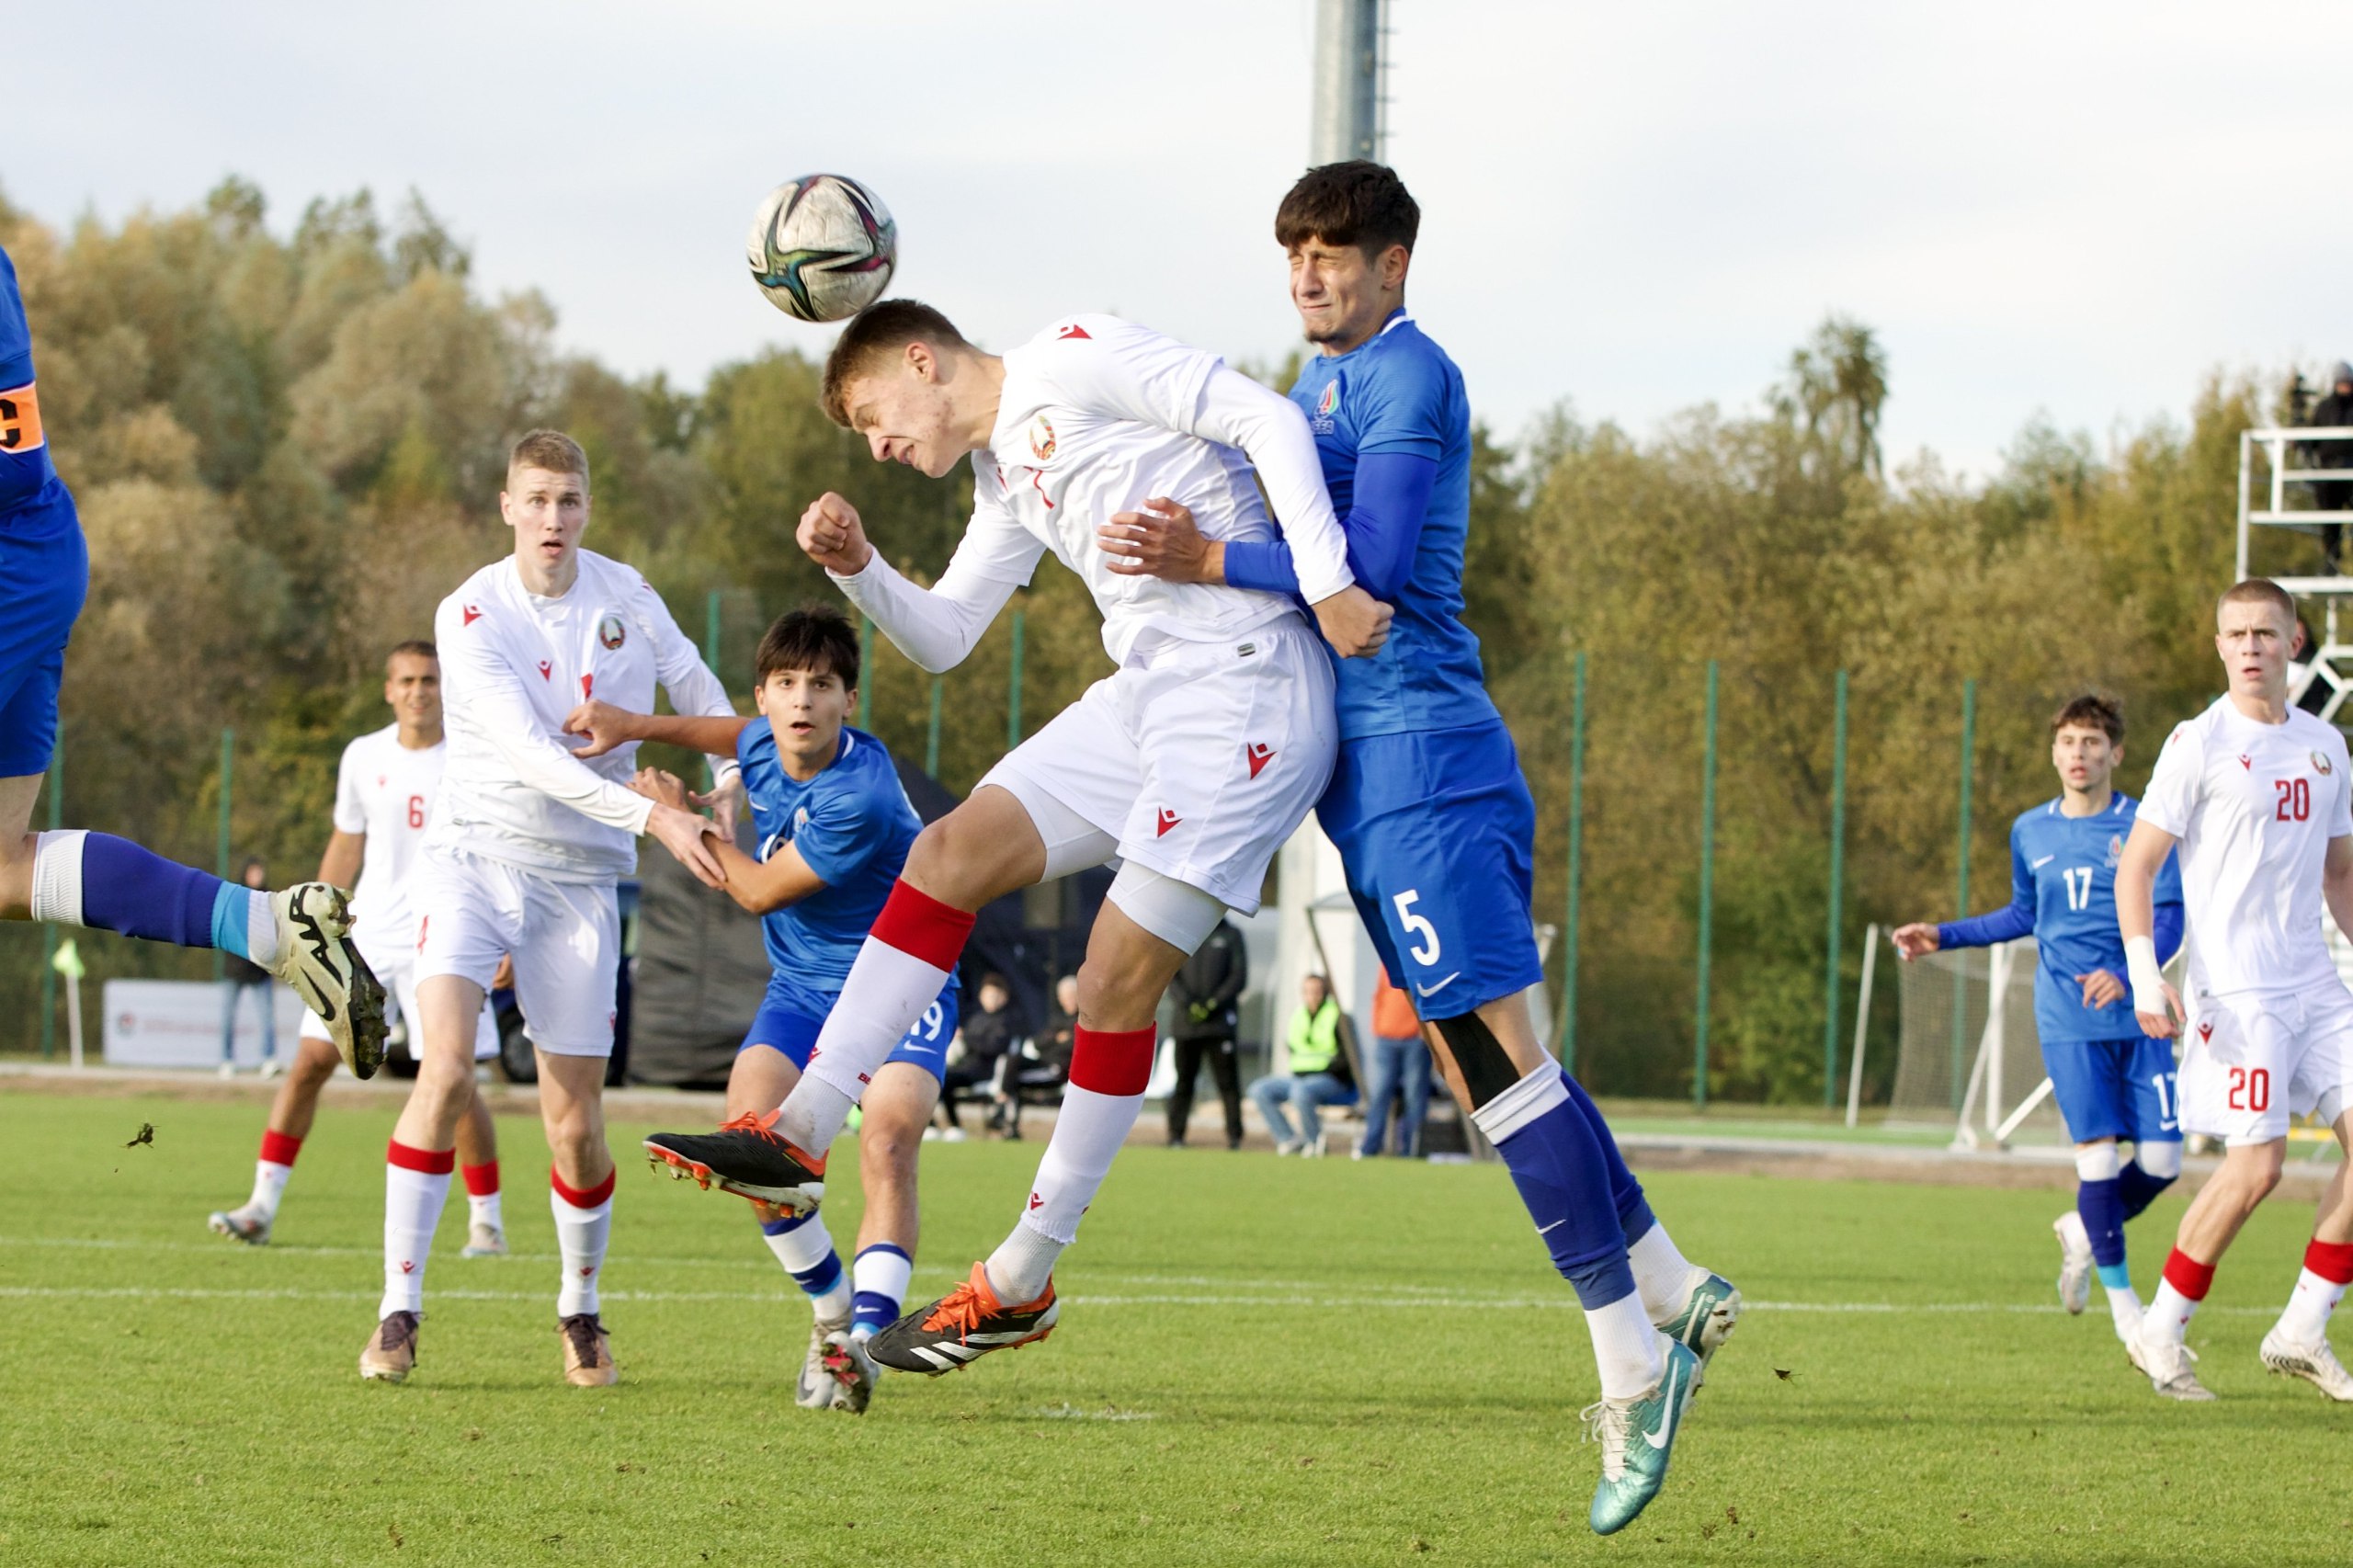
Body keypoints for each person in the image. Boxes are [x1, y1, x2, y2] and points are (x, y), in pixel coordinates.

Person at [1097, 162, 1734, 1533]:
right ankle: (1671, 1281)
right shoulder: (1313, 386)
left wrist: (1210, 563)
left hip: (1425, 758)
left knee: (1496, 1060)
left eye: (1335, 252)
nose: (1310, 274)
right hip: (1373, 776)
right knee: (1483, 1055)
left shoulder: (1404, 374)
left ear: (1394, 264)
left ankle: (1634, 1361)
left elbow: (1372, 577)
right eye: (1295, 253)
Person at [639, 296, 1388, 1381]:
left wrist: (1324, 584)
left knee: (1112, 979)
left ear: (920, 359)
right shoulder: (1001, 473)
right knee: (944, 855)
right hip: (1147, 696)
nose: (879, 446)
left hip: (1245, 693)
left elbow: (1264, 417)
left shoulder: (1073, 356)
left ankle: (1023, 1272)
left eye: (871, 415)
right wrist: (858, 564)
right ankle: (799, 1127)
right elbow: (942, 637)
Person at [358, 429, 739, 1389]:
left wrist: (732, 779)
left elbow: (697, 691)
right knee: (445, 1069)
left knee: (574, 1121)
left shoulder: (627, 593)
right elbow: (531, 753)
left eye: (568, 500)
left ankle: (580, 1307)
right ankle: (397, 1307)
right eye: (535, 500)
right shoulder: (470, 610)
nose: (552, 519)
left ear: (587, 508)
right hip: (473, 861)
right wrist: (651, 812)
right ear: (506, 506)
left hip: (578, 883)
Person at [0, 243, 386, 1079]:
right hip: (30, 555)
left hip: (10, 563)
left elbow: (10, 458)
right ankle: (268, 927)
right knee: (3, 866)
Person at [572, 605, 957, 1414]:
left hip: (900, 983)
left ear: (850, 699)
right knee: (746, 1136)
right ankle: (830, 1313)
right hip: (803, 992)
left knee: (886, 1142)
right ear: (766, 693)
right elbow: (730, 733)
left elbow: (752, 890)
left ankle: (865, 1343)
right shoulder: (764, 738)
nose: (801, 701)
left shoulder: (863, 794)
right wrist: (631, 722)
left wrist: (680, 822)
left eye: (821, 685)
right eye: (786, 684)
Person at [2114, 578, 2353, 1403]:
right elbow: (2136, 868)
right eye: (2235, 634)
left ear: (2295, 642)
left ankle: (2302, 1328)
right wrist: (2148, 977)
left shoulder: (2327, 746)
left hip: (2316, 986)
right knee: (2259, 1170)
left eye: (2265, 632)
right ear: (2218, 646)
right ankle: (2161, 1329)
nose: (2250, 646)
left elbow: (2343, 875)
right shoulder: (2198, 743)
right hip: (2238, 991)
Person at [1892, 695, 2186, 1346]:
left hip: (2139, 1016)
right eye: (2068, 743)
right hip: (2068, 1019)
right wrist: (1943, 934)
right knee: (2100, 1164)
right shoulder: (2031, 830)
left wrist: (2132, 970)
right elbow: (2023, 914)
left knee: (2165, 1162)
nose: (2078, 754)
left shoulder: (2145, 823)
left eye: (2091, 742)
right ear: (2053, 753)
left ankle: (2085, 1228)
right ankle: (2126, 1312)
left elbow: (2169, 916)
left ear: (2117, 753)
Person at [207, 643, 508, 1252]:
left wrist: (501, 932)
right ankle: (261, 1206)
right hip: (368, 931)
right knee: (309, 1064)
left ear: (443, 687)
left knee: (453, 1077)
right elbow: (347, 844)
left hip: (447, 930)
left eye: (428, 679)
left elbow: (499, 848)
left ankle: (487, 1222)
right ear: (389, 689)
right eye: (407, 680)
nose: (419, 690)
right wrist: (315, 926)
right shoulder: (363, 756)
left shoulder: (474, 757)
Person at [1246, 972, 1356, 1154]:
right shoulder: (1298, 1016)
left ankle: (1313, 1142)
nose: (1312, 996)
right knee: (1259, 1089)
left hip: (1331, 1079)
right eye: (1307, 992)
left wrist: (1323, 1067)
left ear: (1325, 993)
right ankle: (1288, 1139)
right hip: (1299, 1077)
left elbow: (1348, 1059)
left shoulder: (1338, 1017)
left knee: (1302, 1091)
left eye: (1316, 992)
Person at [1165, 915, 1247, 1149]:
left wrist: (1213, 1003)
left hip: (1220, 1025)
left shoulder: (1231, 935)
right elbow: (1170, 974)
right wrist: (1189, 1003)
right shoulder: (1183, 930)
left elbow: (1239, 976)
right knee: (1184, 1082)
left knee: (1228, 1083)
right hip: (1186, 1024)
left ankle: (1234, 1137)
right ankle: (1175, 1136)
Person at [1357, 965, 1433, 1158]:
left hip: (1415, 1039)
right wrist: (1378, 1026)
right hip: (1386, 1037)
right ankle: (1370, 1147)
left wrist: (1424, 1030)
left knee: (1414, 1096)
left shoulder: (1420, 960)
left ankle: (1411, 1150)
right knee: (1380, 1093)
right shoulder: (1386, 963)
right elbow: (1380, 995)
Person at [218, 858, 278, 1078]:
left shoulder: (270, 899)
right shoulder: (235, 896)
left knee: (266, 1018)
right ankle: (226, 1060)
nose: (257, 876)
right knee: (227, 1017)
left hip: (260, 971)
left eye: (259, 871)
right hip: (235, 969)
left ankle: (268, 1059)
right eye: (253, 872)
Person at [942, 972, 1016, 1135]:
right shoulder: (976, 1018)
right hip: (965, 1066)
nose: (991, 999)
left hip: (982, 1072)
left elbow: (994, 1047)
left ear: (1003, 998)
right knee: (939, 1076)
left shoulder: (1004, 1021)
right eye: (988, 995)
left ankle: (955, 1127)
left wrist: (967, 1037)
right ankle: (935, 1125)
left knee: (945, 1080)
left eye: (995, 996)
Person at [2300, 361, 2353, 572]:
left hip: (2351, 474)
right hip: (2329, 474)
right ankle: (2331, 562)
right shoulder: (2324, 408)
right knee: (2330, 523)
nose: (2346, 387)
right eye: (2342, 383)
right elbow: (2311, 438)